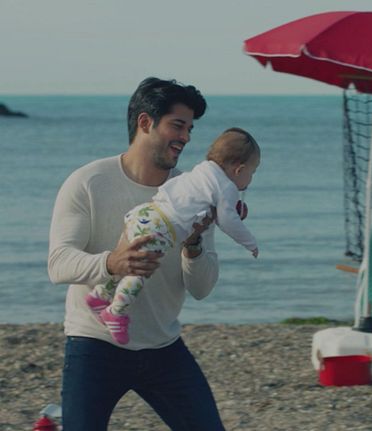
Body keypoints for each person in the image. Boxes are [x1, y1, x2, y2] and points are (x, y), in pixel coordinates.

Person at [48, 77, 226, 430]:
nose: (186, 137)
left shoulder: (191, 195)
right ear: (145, 122)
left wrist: (193, 245)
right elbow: (58, 263)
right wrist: (111, 262)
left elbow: (202, 288)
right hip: (95, 342)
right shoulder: (88, 181)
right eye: (178, 125)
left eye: (190, 129)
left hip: (163, 346)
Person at [86, 127, 261, 345]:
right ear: (239, 170)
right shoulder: (227, 187)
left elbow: (207, 210)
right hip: (162, 227)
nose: (250, 179)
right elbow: (228, 221)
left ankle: (100, 294)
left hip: (144, 213)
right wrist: (250, 242)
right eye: (252, 172)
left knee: (129, 263)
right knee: (139, 273)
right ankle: (116, 311)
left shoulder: (202, 171)